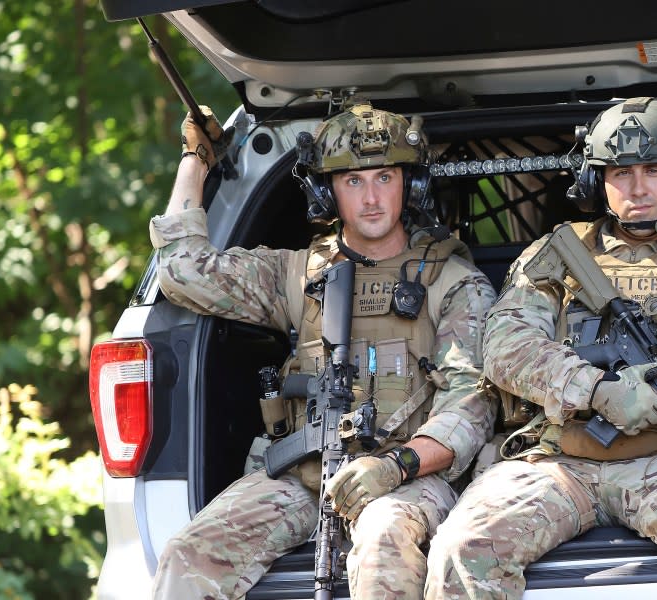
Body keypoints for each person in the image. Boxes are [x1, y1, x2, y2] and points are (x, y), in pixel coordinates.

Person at [425, 64, 657, 600]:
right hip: (558, 462)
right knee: (462, 549)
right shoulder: (557, 255)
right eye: (621, 173)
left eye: (654, 170)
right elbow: (506, 348)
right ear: (596, 182)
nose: (638, 188)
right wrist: (598, 391)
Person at [149, 103, 497, 599]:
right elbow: (183, 271)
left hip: (406, 477)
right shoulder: (297, 274)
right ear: (325, 191)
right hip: (303, 477)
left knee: (383, 544)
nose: (372, 197)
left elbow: (472, 402)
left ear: (410, 185)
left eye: (385, 177)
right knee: (189, 553)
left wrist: (395, 465)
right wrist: (196, 161)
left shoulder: (453, 284)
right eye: (353, 181)